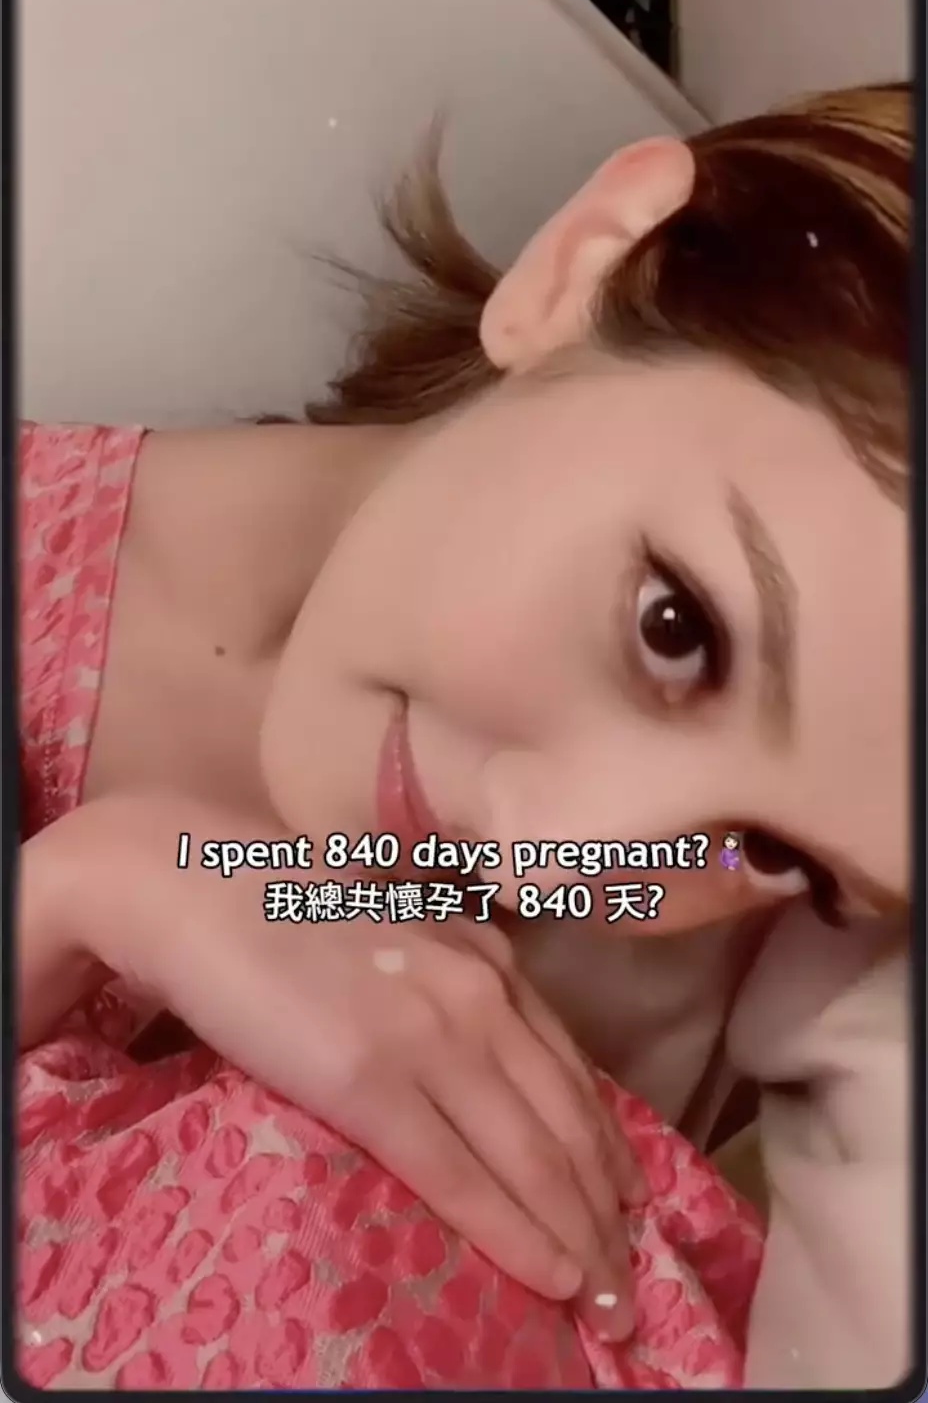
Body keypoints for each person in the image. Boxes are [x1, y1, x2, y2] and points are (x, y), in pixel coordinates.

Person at [17, 83, 911, 1387]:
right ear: (584, 264)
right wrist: (87, 893)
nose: (563, 856)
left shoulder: (754, 985)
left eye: (781, 851)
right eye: (673, 628)